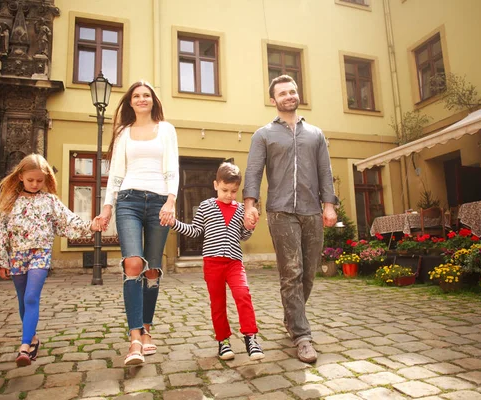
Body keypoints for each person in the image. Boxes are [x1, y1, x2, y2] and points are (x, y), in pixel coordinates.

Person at [243, 75, 338, 363]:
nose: (288, 96)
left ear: (298, 95)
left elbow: (325, 171)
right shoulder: (263, 135)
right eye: (282, 93)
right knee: (291, 272)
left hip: (311, 210)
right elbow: (253, 171)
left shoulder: (316, 134)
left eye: (292, 91)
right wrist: (250, 205)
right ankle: (302, 335)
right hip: (281, 211)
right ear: (273, 100)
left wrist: (329, 205)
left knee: (308, 272)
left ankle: (291, 318)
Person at [97, 80, 179, 366]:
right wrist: (107, 208)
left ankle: (147, 328)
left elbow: (172, 167)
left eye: (146, 95)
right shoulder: (123, 133)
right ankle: (134, 339)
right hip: (128, 201)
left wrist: (171, 200)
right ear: (130, 102)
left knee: (153, 269)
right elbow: (115, 175)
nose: (142, 99)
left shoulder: (166, 130)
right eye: (136, 96)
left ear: (153, 100)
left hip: (159, 202)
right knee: (133, 263)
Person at [0, 154, 101, 367]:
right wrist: (2, 260)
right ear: (21, 177)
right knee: (23, 298)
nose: (35, 184)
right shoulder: (11, 202)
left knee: (32, 296)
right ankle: (33, 337)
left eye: (39, 181)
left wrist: (91, 225)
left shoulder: (50, 201)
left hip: (40, 253)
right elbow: (2, 232)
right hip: (17, 255)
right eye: (31, 180)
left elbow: (68, 220)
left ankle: (24, 346)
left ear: (46, 180)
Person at [171, 162, 265, 361]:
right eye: (225, 190)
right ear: (215, 185)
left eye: (233, 191)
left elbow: (243, 236)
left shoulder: (240, 209)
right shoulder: (206, 206)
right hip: (212, 263)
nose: (229, 195)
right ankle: (223, 341)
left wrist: (251, 226)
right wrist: (174, 223)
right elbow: (195, 231)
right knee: (218, 303)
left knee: (243, 295)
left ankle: (251, 338)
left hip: (234, 263)